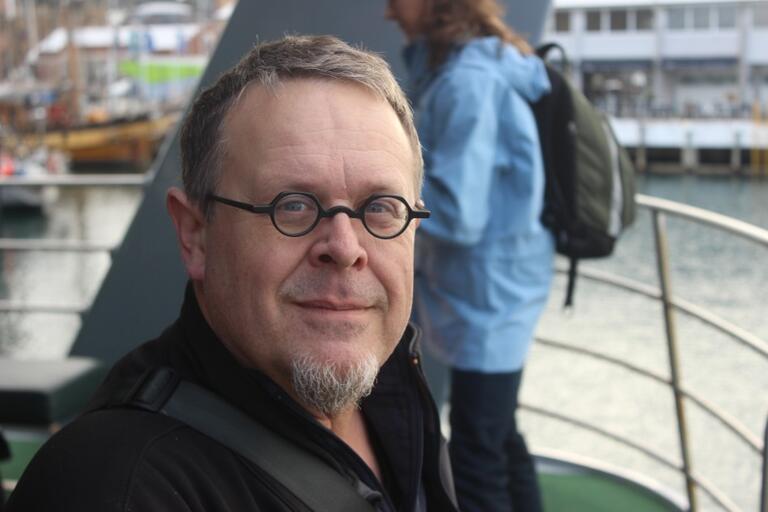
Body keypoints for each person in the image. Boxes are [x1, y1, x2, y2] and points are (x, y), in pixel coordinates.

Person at [7, 35, 459, 512]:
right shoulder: (116, 489)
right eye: (294, 205)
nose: (345, 248)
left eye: (381, 207)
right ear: (195, 234)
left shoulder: (393, 390)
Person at [386, 1, 554, 511]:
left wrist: (387, 188)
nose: (389, 11)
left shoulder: (467, 83)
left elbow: (459, 214)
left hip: (492, 296)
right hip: (497, 287)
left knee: (477, 458)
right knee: (497, 436)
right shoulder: (469, 72)